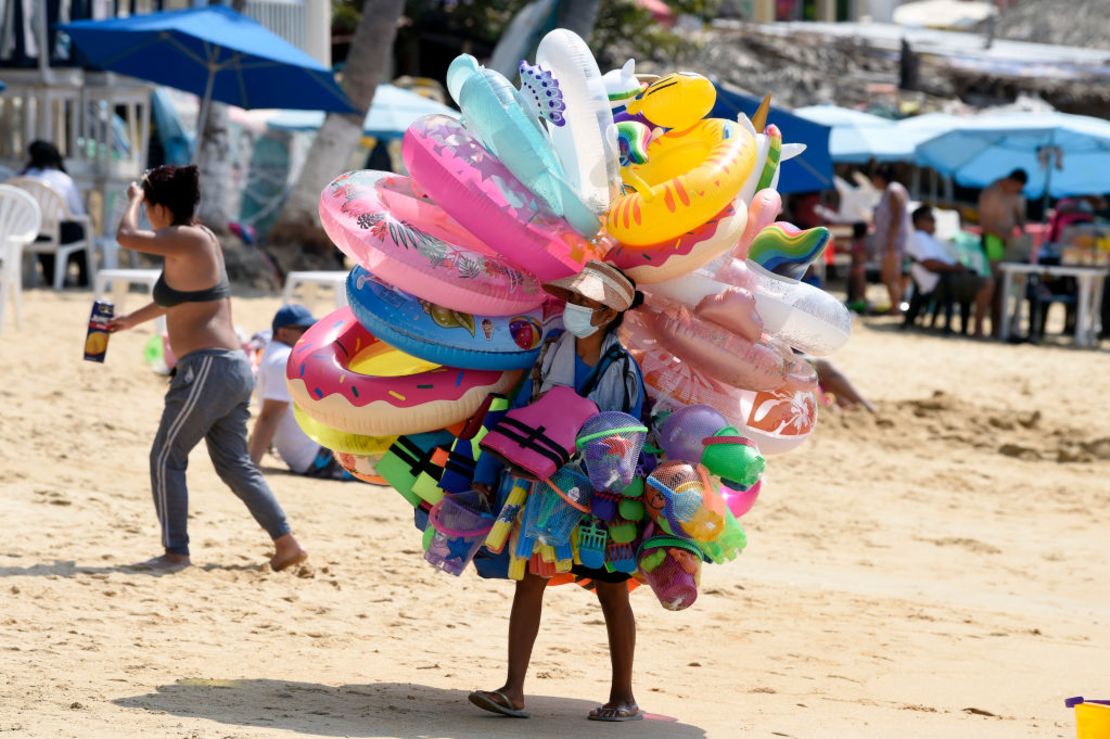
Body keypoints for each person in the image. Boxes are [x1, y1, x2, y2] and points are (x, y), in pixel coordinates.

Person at [468, 261, 647, 723]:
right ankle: (512, 690)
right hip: (544, 483)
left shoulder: (624, 368)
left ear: (607, 314)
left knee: (611, 589)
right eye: (573, 299)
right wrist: (492, 469)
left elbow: (630, 435)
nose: (574, 308)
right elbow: (525, 408)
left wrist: (614, 500)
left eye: (584, 302)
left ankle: (623, 697)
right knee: (530, 579)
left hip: (597, 491)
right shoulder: (550, 351)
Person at [108, 164, 307, 573]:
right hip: (230, 368)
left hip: (209, 368)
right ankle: (287, 543)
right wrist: (131, 320)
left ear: (160, 207)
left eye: (147, 205)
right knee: (233, 464)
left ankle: (175, 552)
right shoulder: (198, 239)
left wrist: (129, 200)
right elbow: (176, 298)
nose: (144, 212)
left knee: (166, 456)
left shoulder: (183, 237)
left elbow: (125, 237)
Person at [248, 304, 353, 480]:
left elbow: (269, 412)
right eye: (304, 329)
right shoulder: (284, 361)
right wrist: (250, 466)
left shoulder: (272, 354)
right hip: (314, 457)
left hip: (310, 451)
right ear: (283, 333)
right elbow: (269, 416)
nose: (309, 334)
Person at [907, 206, 993, 337]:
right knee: (987, 283)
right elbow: (929, 263)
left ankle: (975, 327)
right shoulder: (919, 237)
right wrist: (956, 268)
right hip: (941, 282)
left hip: (948, 278)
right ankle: (978, 329)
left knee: (986, 279)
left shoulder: (931, 239)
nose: (934, 223)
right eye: (930, 219)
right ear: (918, 221)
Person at [20, 140, 90, 287]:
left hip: (31, 233)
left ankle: (52, 277)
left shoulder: (22, 178)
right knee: (80, 231)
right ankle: (84, 279)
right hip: (62, 233)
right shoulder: (63, 179)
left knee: (49, 234)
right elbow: (78, 211)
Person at [978, 169, 1027, 336]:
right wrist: (1004, 236)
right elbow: (986, 224)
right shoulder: (991, 193)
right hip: (992, 242)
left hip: (1008, 243)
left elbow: (1019, 219)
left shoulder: (1015, 196)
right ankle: (979, 327)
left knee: (1003, 288)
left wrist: (1021, 234)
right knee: (991, 285)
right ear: (1009, 181)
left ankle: (998, 328)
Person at [871, 164, 912, 315]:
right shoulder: (890, 191)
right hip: (893, 241)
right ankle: (896, 306)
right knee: (893, 276)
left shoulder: (893, 191)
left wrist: (890, 241)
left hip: (894, 242)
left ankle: (895, 308)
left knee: (890, 276)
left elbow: (896, 217)